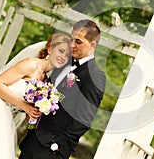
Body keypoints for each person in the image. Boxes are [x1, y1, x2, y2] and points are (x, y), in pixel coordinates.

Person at [19, 19, 106, 159]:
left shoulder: (95, 75)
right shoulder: (64, 62)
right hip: (33, 139)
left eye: (78, 41)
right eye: (71, 39)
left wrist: (58, 146)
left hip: (52, 149)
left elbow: (84, 118)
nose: (72, 45)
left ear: (92, 45)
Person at [0, 33, 71, 159]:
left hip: (7, 118)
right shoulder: (31, 64)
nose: (63, 57)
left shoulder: (45, 82)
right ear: (49, 49)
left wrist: (32, 114)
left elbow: (27, 109)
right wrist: (25, 106)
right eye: (61, 51)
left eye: (67, 55)